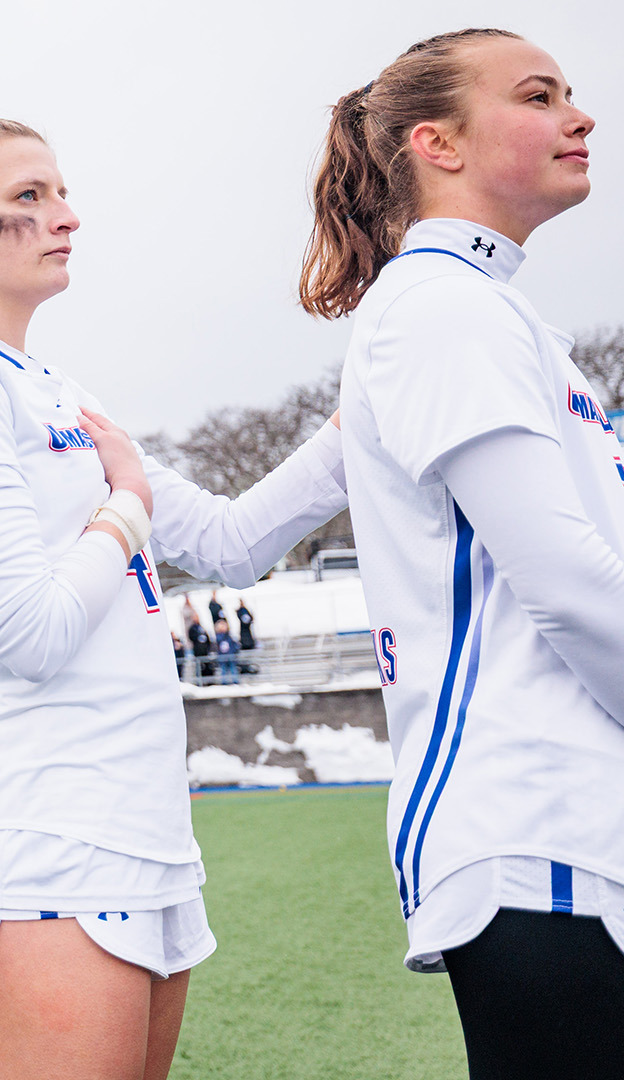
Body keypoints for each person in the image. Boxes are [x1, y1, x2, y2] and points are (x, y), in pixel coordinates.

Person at [0, 119, 349, 1079]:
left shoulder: (53, 387)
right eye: (31, 196)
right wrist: (125, 508)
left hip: (145, 825)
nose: (67, 217)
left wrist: (359, 421)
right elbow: (31, 632)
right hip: (42, 825)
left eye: (62, 193)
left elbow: (230, 543)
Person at [304, 27, 622, 1075]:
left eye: (573, 92)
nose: (579, 114)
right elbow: (569, 584)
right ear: (437, 144)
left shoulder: (499, 313)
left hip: (578, 824)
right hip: (540, 829)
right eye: (538, 95)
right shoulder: (442, 307)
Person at [186, 611, 213, 684]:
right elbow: (191, 637)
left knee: (207, 667)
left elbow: (208, 639)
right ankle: (200, 682)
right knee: (199, 667)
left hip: (205, 651)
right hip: (198, 651)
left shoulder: (202, 628)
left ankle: (209, 682)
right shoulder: (192, 628)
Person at [212, 619, 239, 686]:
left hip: (230, 656)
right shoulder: (218, 637)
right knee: (223, 670)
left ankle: (235, 681)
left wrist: (235, 651)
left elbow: (233, 645)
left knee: (233, 669)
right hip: (222, 657)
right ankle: (224, 682)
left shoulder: (229, 636)